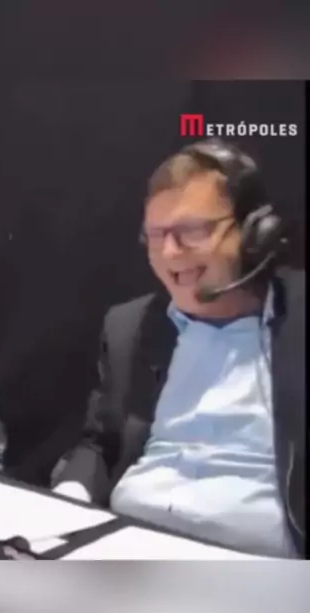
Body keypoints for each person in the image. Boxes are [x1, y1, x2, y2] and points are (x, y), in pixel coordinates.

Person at [54, 138, 305, 558]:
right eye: (156, 235)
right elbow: (100, 443)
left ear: (254, 233)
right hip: (124, 550)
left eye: (191, 231)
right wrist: (69, 499)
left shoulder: (298, 319)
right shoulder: (131, 327)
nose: (170, 253)